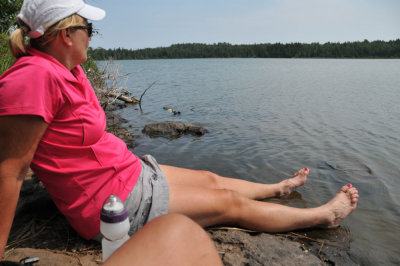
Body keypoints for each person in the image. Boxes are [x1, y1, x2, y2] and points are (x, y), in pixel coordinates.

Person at [0, 0, 359, 262]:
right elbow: (11, 169)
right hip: (111, 204)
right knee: (228, 205)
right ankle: (323, 217)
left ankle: (276, 189)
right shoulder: (34, 77)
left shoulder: (67, 70)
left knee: (209, 176)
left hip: (127, 173)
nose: (91, 37)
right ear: (65, 35)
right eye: (88, 29)